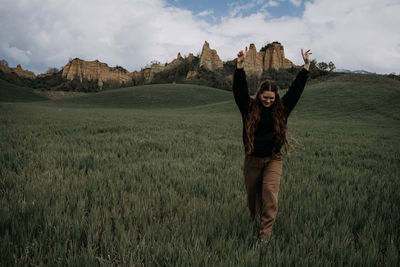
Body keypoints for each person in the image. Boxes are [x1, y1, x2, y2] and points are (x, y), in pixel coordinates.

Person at [232, 46, 311, 241]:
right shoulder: (249, 108)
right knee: (253, 198)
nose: (268, 101)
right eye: (265, 97)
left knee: (269, 192)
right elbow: (239, 92)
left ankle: (265, 235)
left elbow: (295, 91)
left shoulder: (282, 109)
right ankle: (256, 219)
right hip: (252, 159)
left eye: (271, 98)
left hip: (273, 158)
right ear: (259, 95)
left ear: (276, 98)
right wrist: (240, 68)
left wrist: (306, 68)